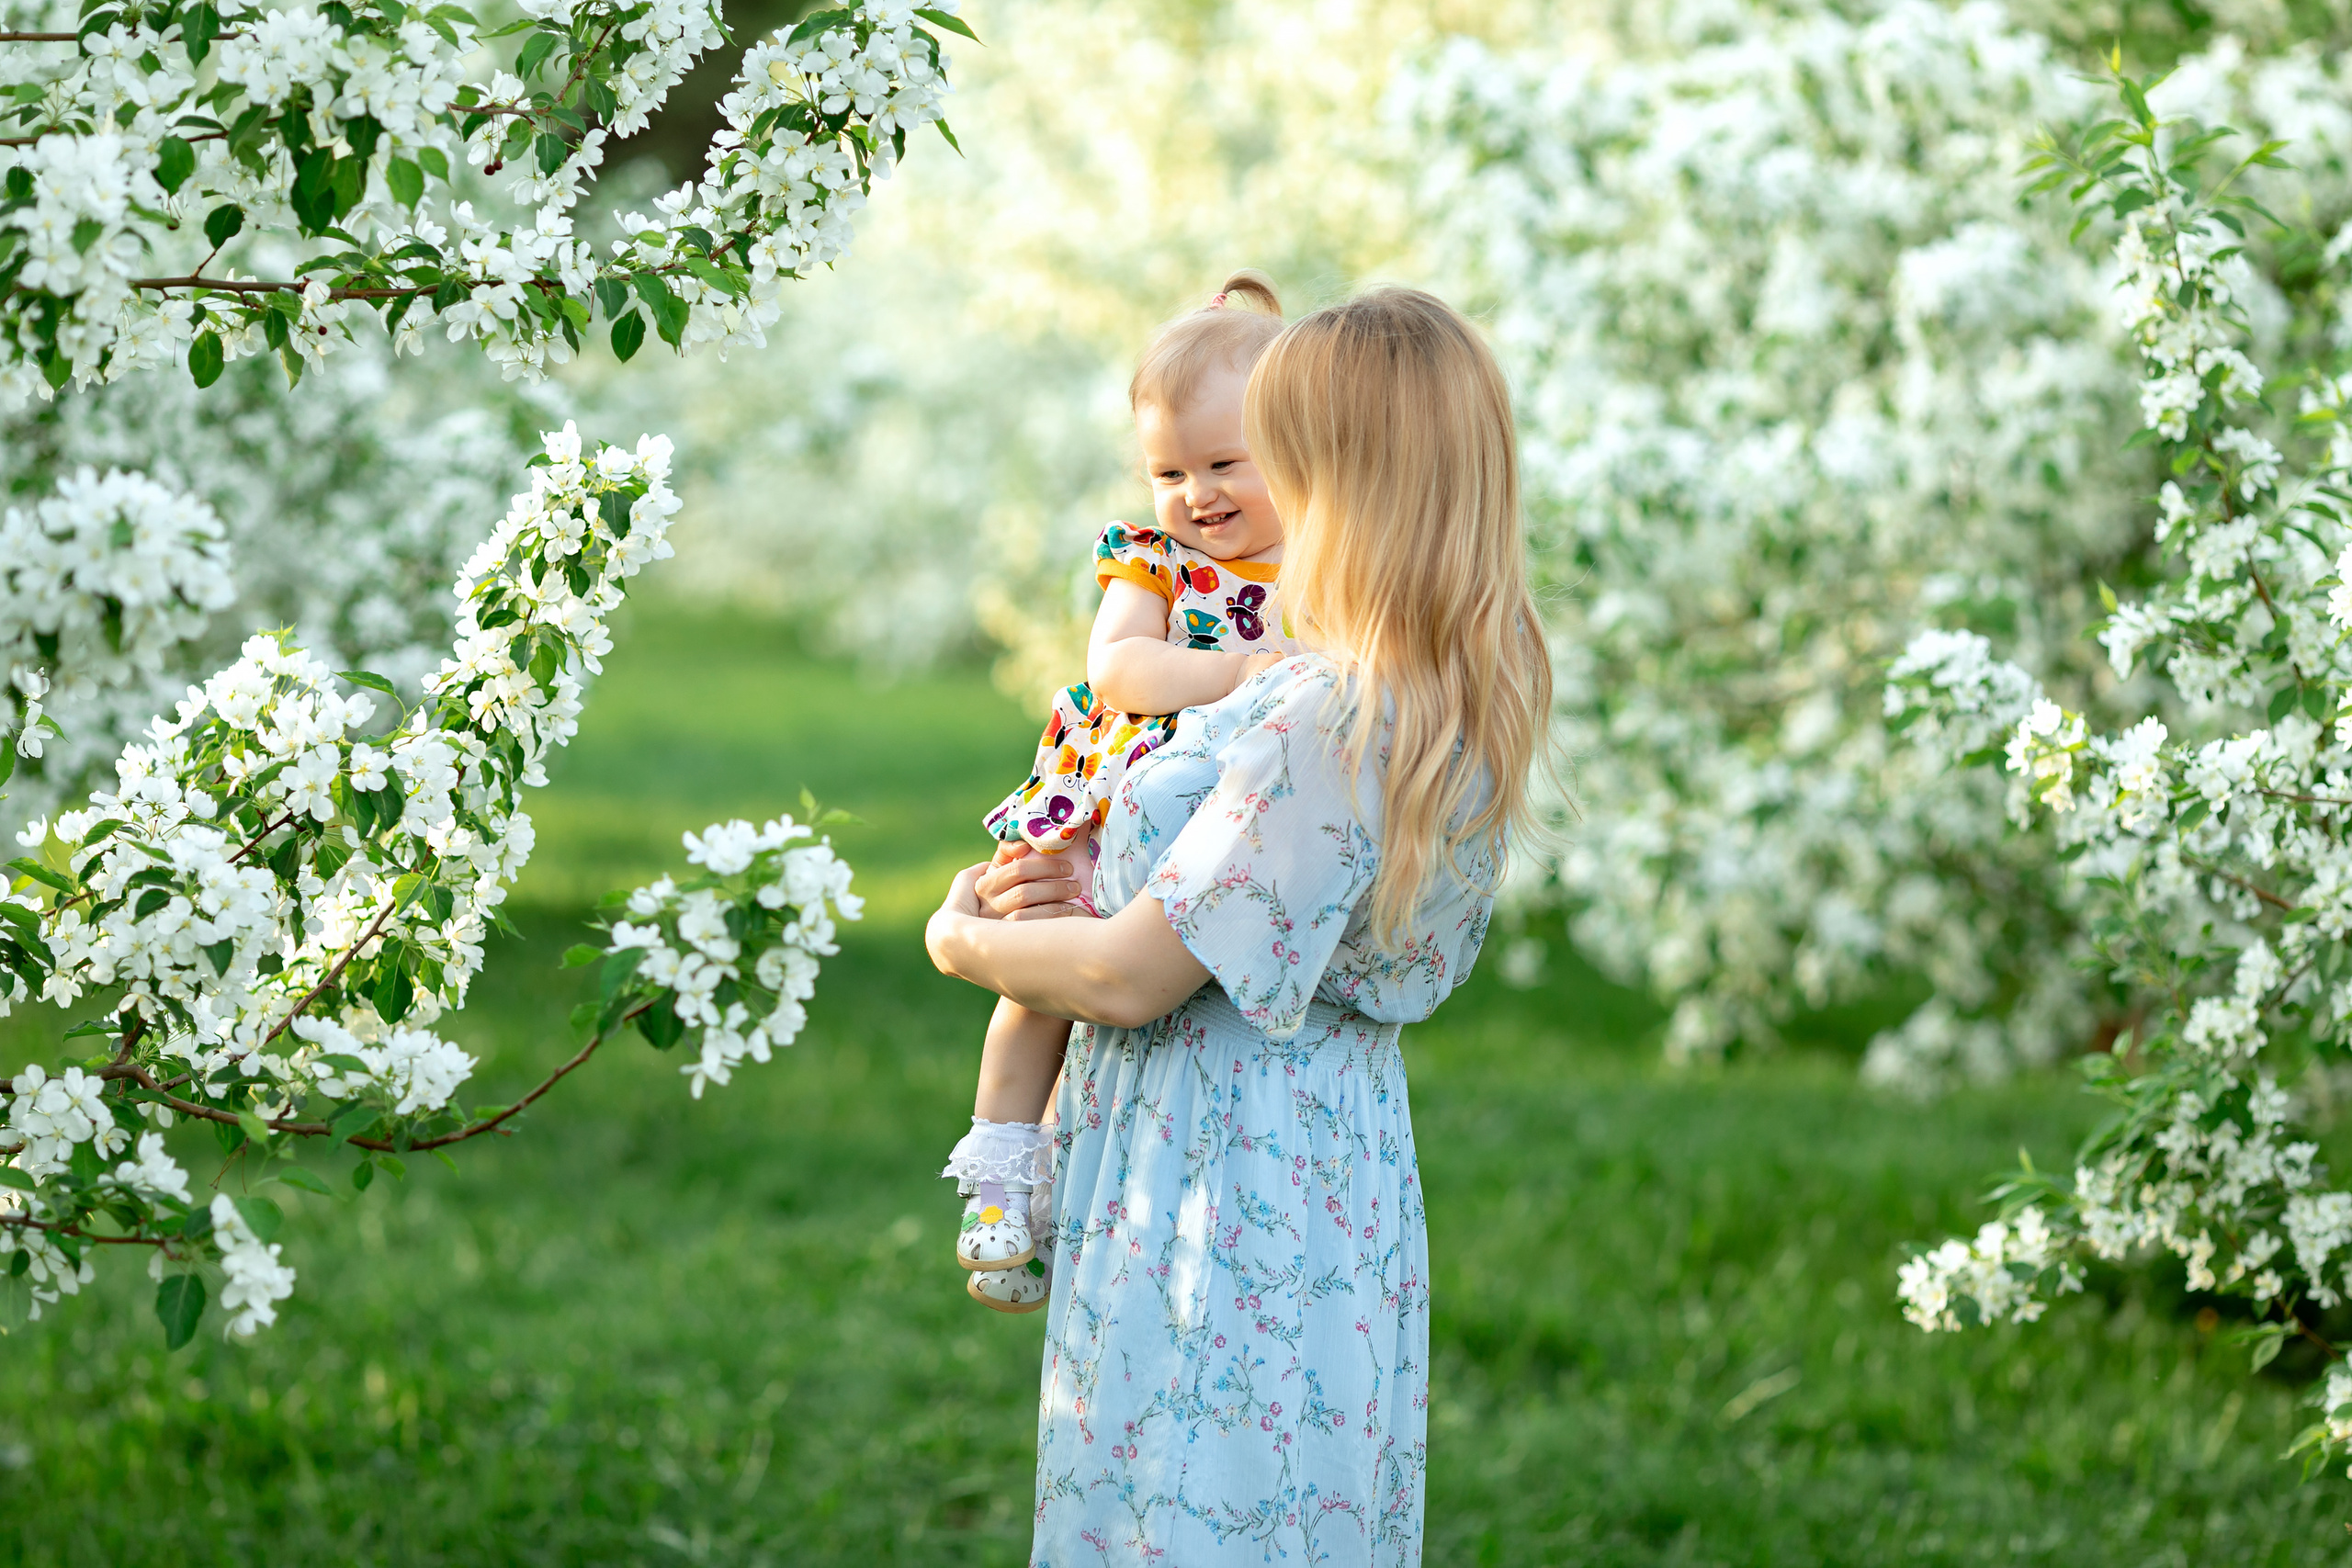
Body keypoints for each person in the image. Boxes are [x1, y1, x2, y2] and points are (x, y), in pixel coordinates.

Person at [926, 286, 1552, 1562]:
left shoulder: (1328, 711)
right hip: (1319, 1148)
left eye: (1269, 453)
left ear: (1344, 481)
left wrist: (964, 941)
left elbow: (1126, 973)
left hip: (1225, 1160)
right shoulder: (1450, 675)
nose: (1222, 500)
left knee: (1196, 1505)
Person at [944, 270, 1302, 1314]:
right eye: (1167, 471)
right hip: (1105, 795)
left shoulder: (1322, 568)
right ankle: (1003, 1173)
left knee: (1119, 994)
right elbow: (1121, 676)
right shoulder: (1154, 565)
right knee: (1039, 972)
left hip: (1213, 830)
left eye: (1225, 462)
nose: (1197, 495)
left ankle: (1059, 1168)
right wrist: (1236, 670)